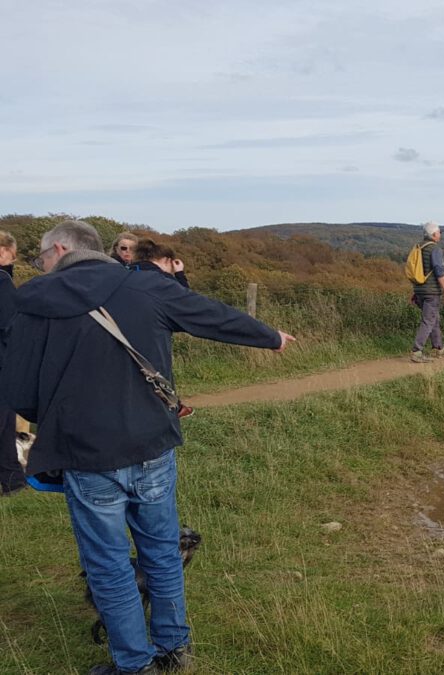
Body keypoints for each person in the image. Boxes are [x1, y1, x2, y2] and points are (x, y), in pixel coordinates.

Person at [0, 219, 294, 675]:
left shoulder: (34, 302)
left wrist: (56, 412)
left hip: (87, 453)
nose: (39, 265)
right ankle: (174, 649)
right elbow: (208, 315)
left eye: (40, 257)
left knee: (109, 564)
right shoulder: (144, 287)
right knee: (160, 550)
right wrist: (269, 336)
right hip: (152, 444)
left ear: (59, 250)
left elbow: (17, 391)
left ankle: (134, 665)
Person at [410, 221, 444, 364]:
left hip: (419, 290)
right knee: (428, 320)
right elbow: (439, 272)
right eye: (439, 232)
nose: (440, 234)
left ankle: (438, 347)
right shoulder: (435, 249)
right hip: (431, 292)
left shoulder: (419, 248)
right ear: (434, 234)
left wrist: (416, 291)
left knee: (434, 318)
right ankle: (417, 351)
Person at [0, 230, 22, 494]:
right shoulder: (4, 281)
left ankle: (12, 477)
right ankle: (11, 477)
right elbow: (10, 325)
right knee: (5, 421)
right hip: (4, 361)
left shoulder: (4, 280)